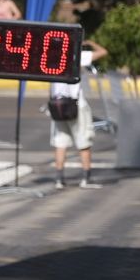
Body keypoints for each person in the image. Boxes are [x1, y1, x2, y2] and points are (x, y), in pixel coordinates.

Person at [49, 40, 108, 190]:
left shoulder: (50, 58)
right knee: (84, 142)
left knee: (60, 143)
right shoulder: (78, 56)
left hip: (57, 105)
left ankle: (59, 179)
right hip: (76, 105)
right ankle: (86, 178)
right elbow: (103, 52)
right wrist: (90, 43)